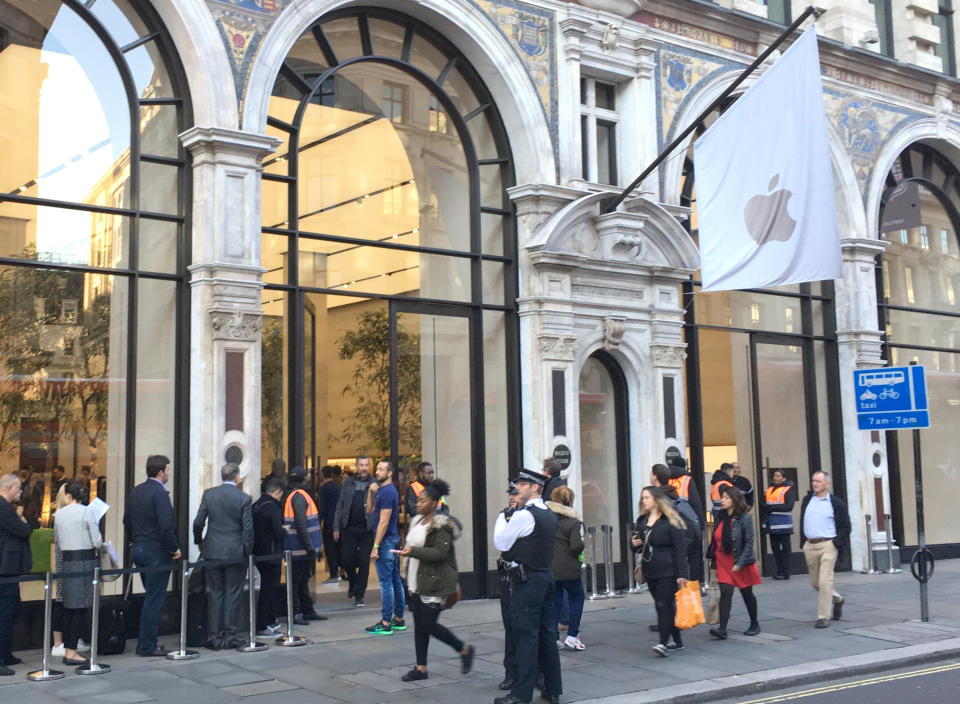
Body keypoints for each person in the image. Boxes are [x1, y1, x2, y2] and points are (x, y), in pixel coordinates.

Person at [493, 468, 562, 704]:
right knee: (547, 635)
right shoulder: (549, 513)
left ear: (534, 488)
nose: (516, 488)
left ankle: (521, 695)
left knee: (525, 637)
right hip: (545, 577)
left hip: (527, 580)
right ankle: (553, 689)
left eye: (522, 485)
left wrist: (505, 515)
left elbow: (501, 542)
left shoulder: (524, 515)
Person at [398, 478, 474, 681]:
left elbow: (440, 553)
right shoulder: (416, 521)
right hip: (416, 579)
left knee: (429, 625)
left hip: (434, 582)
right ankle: (421, 668)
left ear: (433, 503)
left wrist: (412, 551)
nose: (418, 504)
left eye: (422, 501)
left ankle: (464, 648)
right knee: (419, 625)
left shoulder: (441, 525)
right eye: (418, 500)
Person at [123, 455, 180, 657]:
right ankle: (147, 645)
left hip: (139, 548)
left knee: (151, 596)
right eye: (168, 469)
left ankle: (149, 641)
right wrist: (174, 548)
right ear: (160, 471)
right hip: (156, 550)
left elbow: (126, 520)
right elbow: (166, 525)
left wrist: (133, 540)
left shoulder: (136, 491)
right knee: (154, 598)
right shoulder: (160, 493)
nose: (169, 473)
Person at [193, 463, 254, 650]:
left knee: (215, 594)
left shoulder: (209, 495)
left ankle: (214, 636)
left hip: (213, 551)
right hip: (235, 552)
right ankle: (230, 634)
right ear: (237, 478)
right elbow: (248, 530)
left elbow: (198, 522)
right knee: (233, 594)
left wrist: (200, 542)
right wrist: (247, 551)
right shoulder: (244, 498)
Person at [633, 486, 690, 656]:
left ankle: (663, 643)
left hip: (668, 569)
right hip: (650, 569)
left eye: (647, 497)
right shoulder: (642, 520)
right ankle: (677, 640)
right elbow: (636, 546)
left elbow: (680, 549)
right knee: (662, 607)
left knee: (663, 604)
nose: (644, 501)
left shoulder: (671, 520)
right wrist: (633, 544)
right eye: (643, 497)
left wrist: (682, 574)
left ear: (657, 500)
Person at [53, 481, 101, 666]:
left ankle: (68, 648)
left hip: (66, 561)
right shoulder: (87, 512)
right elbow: (96, 541)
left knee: (68, 607)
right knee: (80, 608)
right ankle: (71, 652)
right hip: (84, 561)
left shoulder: (59, 514)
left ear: (68, 495)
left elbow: (58, 539)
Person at [707, 485, 761, 639]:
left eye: (726, 498)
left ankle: (754, 622)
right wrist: (714, 564)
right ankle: (722, 629)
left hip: (739, 560)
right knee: (725, 592)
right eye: (722, 497)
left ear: (735, 500)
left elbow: (750, 541)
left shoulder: (744, 518)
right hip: (723, 560)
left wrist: (741, 563)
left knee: (747, 593)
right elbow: (715, 542)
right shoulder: (720, 517)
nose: (722, 500)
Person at [799, 470, 851, 629]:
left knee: (824, 581)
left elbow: (846, 526)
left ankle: (823, 617)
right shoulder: (808, 500)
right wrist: (803, 542)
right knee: (816, 584)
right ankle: (838, 599)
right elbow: (803, 519)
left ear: (826, 484)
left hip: (828, 544)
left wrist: (836, 543)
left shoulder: (836, 503)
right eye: (813, 481)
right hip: (810, 545)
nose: (815, 483)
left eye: (818, 481)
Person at [365, 460, 406, 635]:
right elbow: (370, 510)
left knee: (386, 582)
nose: (378, 471)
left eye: (382, 469)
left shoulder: (388, 492)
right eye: (378, 468)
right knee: (395, 580)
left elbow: (383, 521)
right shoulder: (383, 491)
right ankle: (398, 619)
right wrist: (370, 492)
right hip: (391, 540)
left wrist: (375, 546)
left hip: (386, 541)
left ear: (390, 473)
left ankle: (386, 622)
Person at [282, 466, 325, 623]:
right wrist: (309, 547)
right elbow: (301, 524)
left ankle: (307, 610)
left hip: (298, 548)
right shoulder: (299, 495)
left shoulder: (294, 494)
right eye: (306, 476)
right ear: (302, 478)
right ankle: (295, 613)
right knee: (296, 581)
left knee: (302, 580)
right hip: (299, 549)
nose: (308, 478)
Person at [546, 486, 586, 651]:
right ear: (570, 501)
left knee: (555, 601)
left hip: (551, 569)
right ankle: (572, 635)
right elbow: (576, 546)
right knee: (577, 598)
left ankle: (553, 637)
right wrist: (583, 543)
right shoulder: (573, 522)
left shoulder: (547, 519)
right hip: (570, 569)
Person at [0, 473, 32, 676]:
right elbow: (24, 530)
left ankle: (6, 652)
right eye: (19, 487)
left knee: (11, 612)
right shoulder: (4, 508)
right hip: (5, 570)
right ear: (9, 487)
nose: (21, 491)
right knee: (5, 613)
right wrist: (23, 522)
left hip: (8, 569)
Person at [334, 455, 375, 607]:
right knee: (346, 559)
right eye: (361, 465)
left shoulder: (374, 483)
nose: (364, 468)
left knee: (364, 562)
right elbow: (340, 505)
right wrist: (336, 527)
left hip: (367, 529)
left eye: (366, 465)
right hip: (348, 528)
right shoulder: (348, 483)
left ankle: (360, 595)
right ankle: (353, 581)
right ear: (356, 466)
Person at [253, 476, 285, 636]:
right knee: (269, 589)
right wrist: (284, 529)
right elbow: (278, 532)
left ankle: (269, 620)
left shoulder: (257, 505)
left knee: (268, 588)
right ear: (277, 492)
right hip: (271, 554)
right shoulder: (272, 507)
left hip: (259, 553)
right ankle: (262, 624)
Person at [496, 481, 521, 691]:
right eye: (511, 495)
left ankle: (535, 672)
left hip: (526, 577)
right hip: (508, 576)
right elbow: (502, 543)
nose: (513, 498)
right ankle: (511, 672)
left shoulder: (531, 516)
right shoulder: (504, 516)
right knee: (510, 627)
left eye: (516, 494)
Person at [761, 470, 797, 580]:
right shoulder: (769, 490)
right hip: (772, 524)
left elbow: (789, 506)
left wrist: (770, 508)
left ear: (784, 478)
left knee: (785, 549)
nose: (775, 477)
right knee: (775, 549)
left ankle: (785, 572)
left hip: (784, 524)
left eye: (778, 476)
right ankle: (779, 571)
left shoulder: (788, 490)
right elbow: (764, 504)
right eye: (774, 476)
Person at [318, 465, 342, 584]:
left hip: (329, 522)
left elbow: (322, 508)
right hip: (339, 522)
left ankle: (333, 574)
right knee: (337, 548)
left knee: (329, 549)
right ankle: (338, 571)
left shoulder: (324, 488)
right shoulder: (338, 487)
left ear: (322, 474)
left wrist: (318, 521)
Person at [665, 456, 704, 523]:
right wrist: (700, 521)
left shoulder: (665, 478)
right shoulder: (687, 479)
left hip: (667, 516)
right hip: (685, 516)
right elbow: (694, 501)